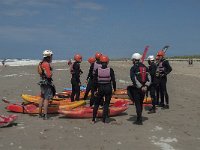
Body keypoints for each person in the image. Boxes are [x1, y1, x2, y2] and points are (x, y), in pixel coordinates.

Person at [92, 55, 116, 123]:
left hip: (100, 88)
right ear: (107, 62)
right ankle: (104, 119)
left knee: (96, 103)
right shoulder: (110, 70)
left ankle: (94, 119)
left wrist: (94, 90)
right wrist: (114, 89)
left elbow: (94, 81)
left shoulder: (97, 70)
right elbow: (113, 81)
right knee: (106, 104)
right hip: (108, 88)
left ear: (101, 62)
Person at [129, 53, 151, 125]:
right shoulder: (145, 67)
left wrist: (141, 87)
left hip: (137, 89)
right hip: (144, 89)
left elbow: (133, 79)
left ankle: (139, 120)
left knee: (137, 104)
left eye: (133, 60)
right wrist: (146, 86)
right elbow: (149, 78)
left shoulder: (133, 68)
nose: (132, 61)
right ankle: (139, 117)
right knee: (141, 103)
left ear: (135, 60)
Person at [38, 50, 55, 120]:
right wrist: (51, 73)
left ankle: (40, 113)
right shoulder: (46, 64)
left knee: (42, 97)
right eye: (51, 56)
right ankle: (45, 115)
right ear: (48, 57)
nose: (52, 58)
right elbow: (48, 75)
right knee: (46, 98)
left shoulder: (41, 63)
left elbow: (41, 72)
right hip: (47, 83)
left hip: (42, 82)